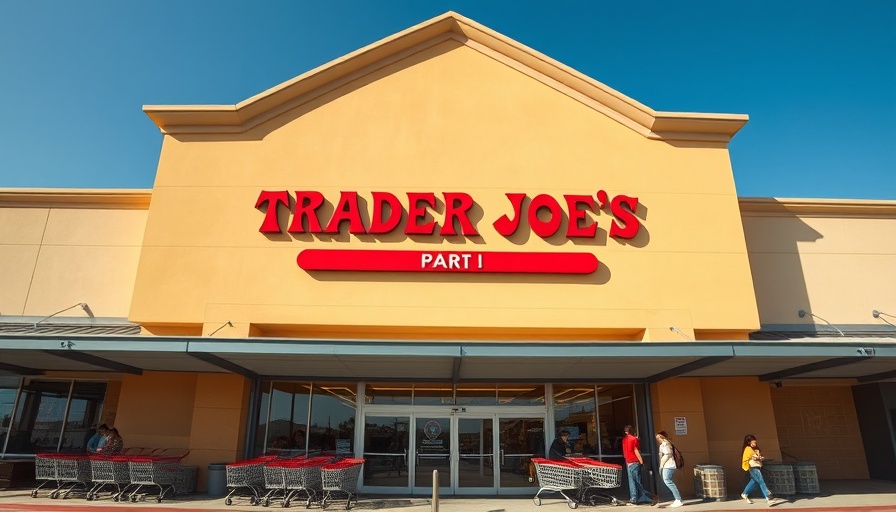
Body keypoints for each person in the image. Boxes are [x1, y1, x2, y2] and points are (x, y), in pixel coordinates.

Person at [741, 434, 781, 506]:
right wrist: (756, 457)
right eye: (753, 442)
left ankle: (745, 493)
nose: (755, 443)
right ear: (749, 442)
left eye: (755, 442)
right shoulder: (747, 449)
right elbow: (747, 458)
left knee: (754, 481)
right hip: (753, 467)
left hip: (758, 466)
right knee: (761, 482)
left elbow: (759, 455)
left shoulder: (756, 449)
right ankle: (768, 498)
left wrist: (760, 457)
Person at [622, 425, 656, 506]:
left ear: (626, 432)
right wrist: (641, 460)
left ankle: (634, 498)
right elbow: (636, 450)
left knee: (632, 481)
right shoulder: (634, 439)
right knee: (638, 481)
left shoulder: (624, 440)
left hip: (628, 461)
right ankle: (646, 496)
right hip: (635, 461)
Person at [656, 431, 683, 508]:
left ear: (662, 437)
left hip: (668, 466)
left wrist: (661, 466)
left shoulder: (665, 444)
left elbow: (667, 455)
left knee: (668, 481)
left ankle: (678, 499)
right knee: (668, 481)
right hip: (669, 466)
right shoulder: (667, 443)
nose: (658, 439)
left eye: (658, 437)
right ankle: (677, 499)